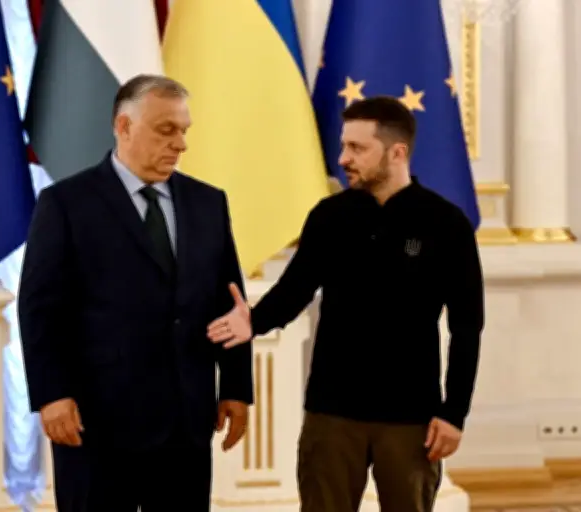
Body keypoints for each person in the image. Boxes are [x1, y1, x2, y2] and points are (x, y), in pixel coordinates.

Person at [207, 96, 485, 512]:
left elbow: (467, 326)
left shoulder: (446, 224)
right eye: (343, 146)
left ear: (397, 152)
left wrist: (454, 413)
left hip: (412, 416)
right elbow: (294, 290)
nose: (343, 159)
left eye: (357, 148)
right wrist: (254, 322)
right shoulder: (329, 216)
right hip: (331, 412)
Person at [18, 74, 253, 512]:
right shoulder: (66, 204)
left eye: (184, 130)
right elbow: (40, 310)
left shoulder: (208, 203)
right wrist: (52, 394)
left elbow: (230, 304)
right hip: (95, 422)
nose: (180, 144)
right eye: (166, 130)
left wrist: (237, 387)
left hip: (186, 422)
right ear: (123, 127)